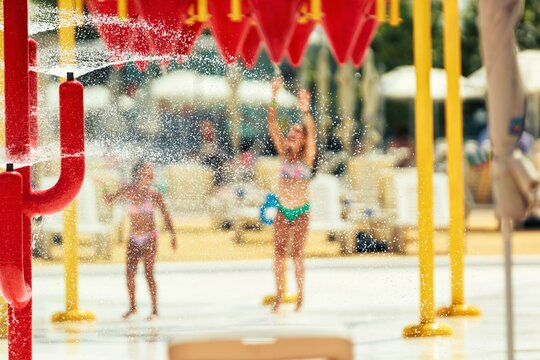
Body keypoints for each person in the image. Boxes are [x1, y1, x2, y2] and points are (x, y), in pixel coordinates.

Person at [267, 77, 317, 312]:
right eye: (291, 132)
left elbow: (312, 133)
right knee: (278, 255)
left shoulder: (308, 158)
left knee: (297, 255)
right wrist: (274, 96)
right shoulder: (283, 154)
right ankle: (279, 295)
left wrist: (306, 111)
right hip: (283, 209)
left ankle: (300, 297)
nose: (292, 134)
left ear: (304, 139)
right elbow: (272, 124)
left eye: (297, 132)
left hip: (301, 211)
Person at [104, 161, 177, 320]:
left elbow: (166, 215)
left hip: (150, 237)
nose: (151, 174)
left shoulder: (154, 194)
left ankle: (155, 310)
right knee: (129, 274)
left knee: (149, 274)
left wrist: (173, 235)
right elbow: (110, 200)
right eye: (147, 171)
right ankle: (133, 307)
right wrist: (105, 192)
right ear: (138, 174)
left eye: (151, 172)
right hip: (133, 237)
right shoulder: (129, 191)